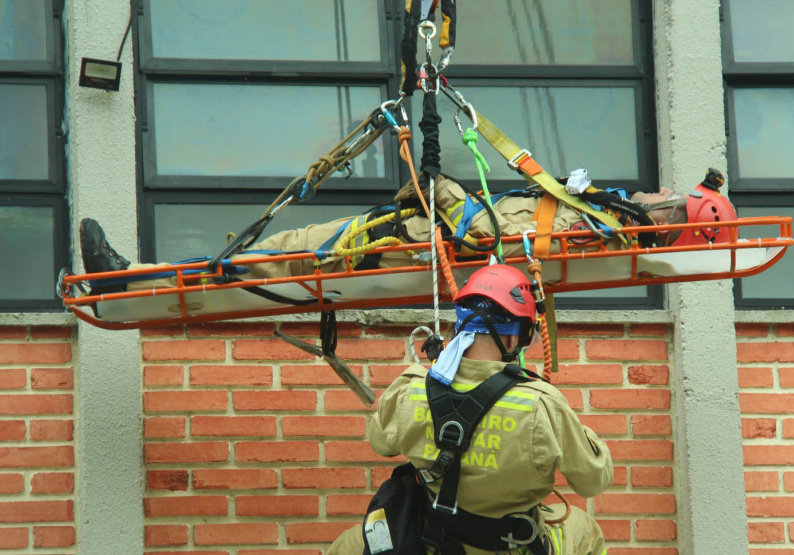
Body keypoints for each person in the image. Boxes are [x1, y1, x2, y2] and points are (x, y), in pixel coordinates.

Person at [326, 264, 613, 555]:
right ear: (514, 338)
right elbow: (594, 480)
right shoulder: (543, 404)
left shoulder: (412, 387)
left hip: (431, 539)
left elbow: (380, 442)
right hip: (509, 545)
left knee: (345, 546)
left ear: (461, 327)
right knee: (585, 528)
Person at [79, 170, 733, 292]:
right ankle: (128, 272)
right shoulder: (601, 222)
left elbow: (485, 240)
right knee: (255, 259)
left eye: (670, 195)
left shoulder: (595, 230)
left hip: (384, 248)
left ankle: (123, 276)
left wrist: (438, 186)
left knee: (255, 263)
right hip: (392, 235)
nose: (656, 189)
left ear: (675, 218)